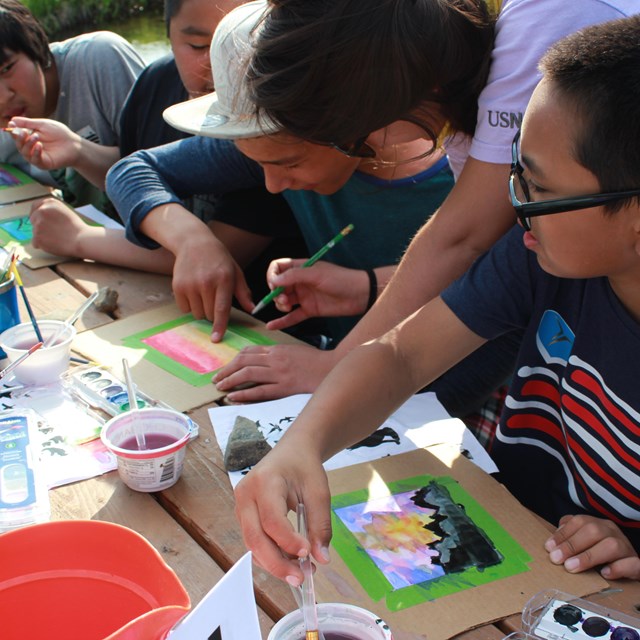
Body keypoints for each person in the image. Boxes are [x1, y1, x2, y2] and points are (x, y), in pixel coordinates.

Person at [233, 15, 640, 584]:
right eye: (515, 173)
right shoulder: (537, 259)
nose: (512, 204)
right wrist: (301, 445)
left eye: (538, 188)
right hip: (515, 544)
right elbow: (401, 355)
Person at [212, 0, 640, 405]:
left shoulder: (547, 21)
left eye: (344, 135)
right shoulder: (461, 83)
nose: (352, 150)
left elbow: (464, 236)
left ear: (388, 89)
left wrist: (338, 367)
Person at [105, 1, 461, 363]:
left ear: (342, 121)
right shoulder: (272, 147)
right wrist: (193, 240)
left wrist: (370, 286)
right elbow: (131, 172)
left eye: (289, 163)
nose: (272, 185)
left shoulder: (461, 180)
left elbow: (488, 283)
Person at [0, 0, 144, 206]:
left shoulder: (99, 60)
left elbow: (162, 169)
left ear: (35, 47)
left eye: (7, 69)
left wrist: (78, 151)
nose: (3, 97)